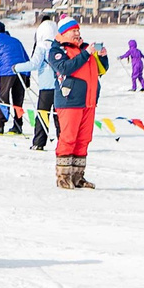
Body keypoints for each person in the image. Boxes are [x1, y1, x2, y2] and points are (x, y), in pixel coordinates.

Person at [50, 19, 104, 188]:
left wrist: (103, 57)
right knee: (68, 138)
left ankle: (77, 177)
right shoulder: (57, 50)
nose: (77, 33)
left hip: (88, 100)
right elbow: (65, 68)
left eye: (78, 30)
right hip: (70, 100)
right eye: (73, 30)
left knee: (84, 139)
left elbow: (100, 70)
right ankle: (63, 177)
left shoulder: (84, 48)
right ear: (64, 33)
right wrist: (86, 54)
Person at [0, 21, 29, 133]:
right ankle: (18, 125)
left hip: (7, 72)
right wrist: (27, 76)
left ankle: (0, 125)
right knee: (18, 100)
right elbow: (26, 58)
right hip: (22, 71)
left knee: (3, 98)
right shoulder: (16, 41)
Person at [27, 16, 64, 150]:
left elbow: (34, 63)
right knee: (59, 115)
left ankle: (39, 142)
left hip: (46, 86)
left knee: (42, 113)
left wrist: (17, 67)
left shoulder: (41, 46)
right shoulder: (61, 47)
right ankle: (63, 142)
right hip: (60, 86)